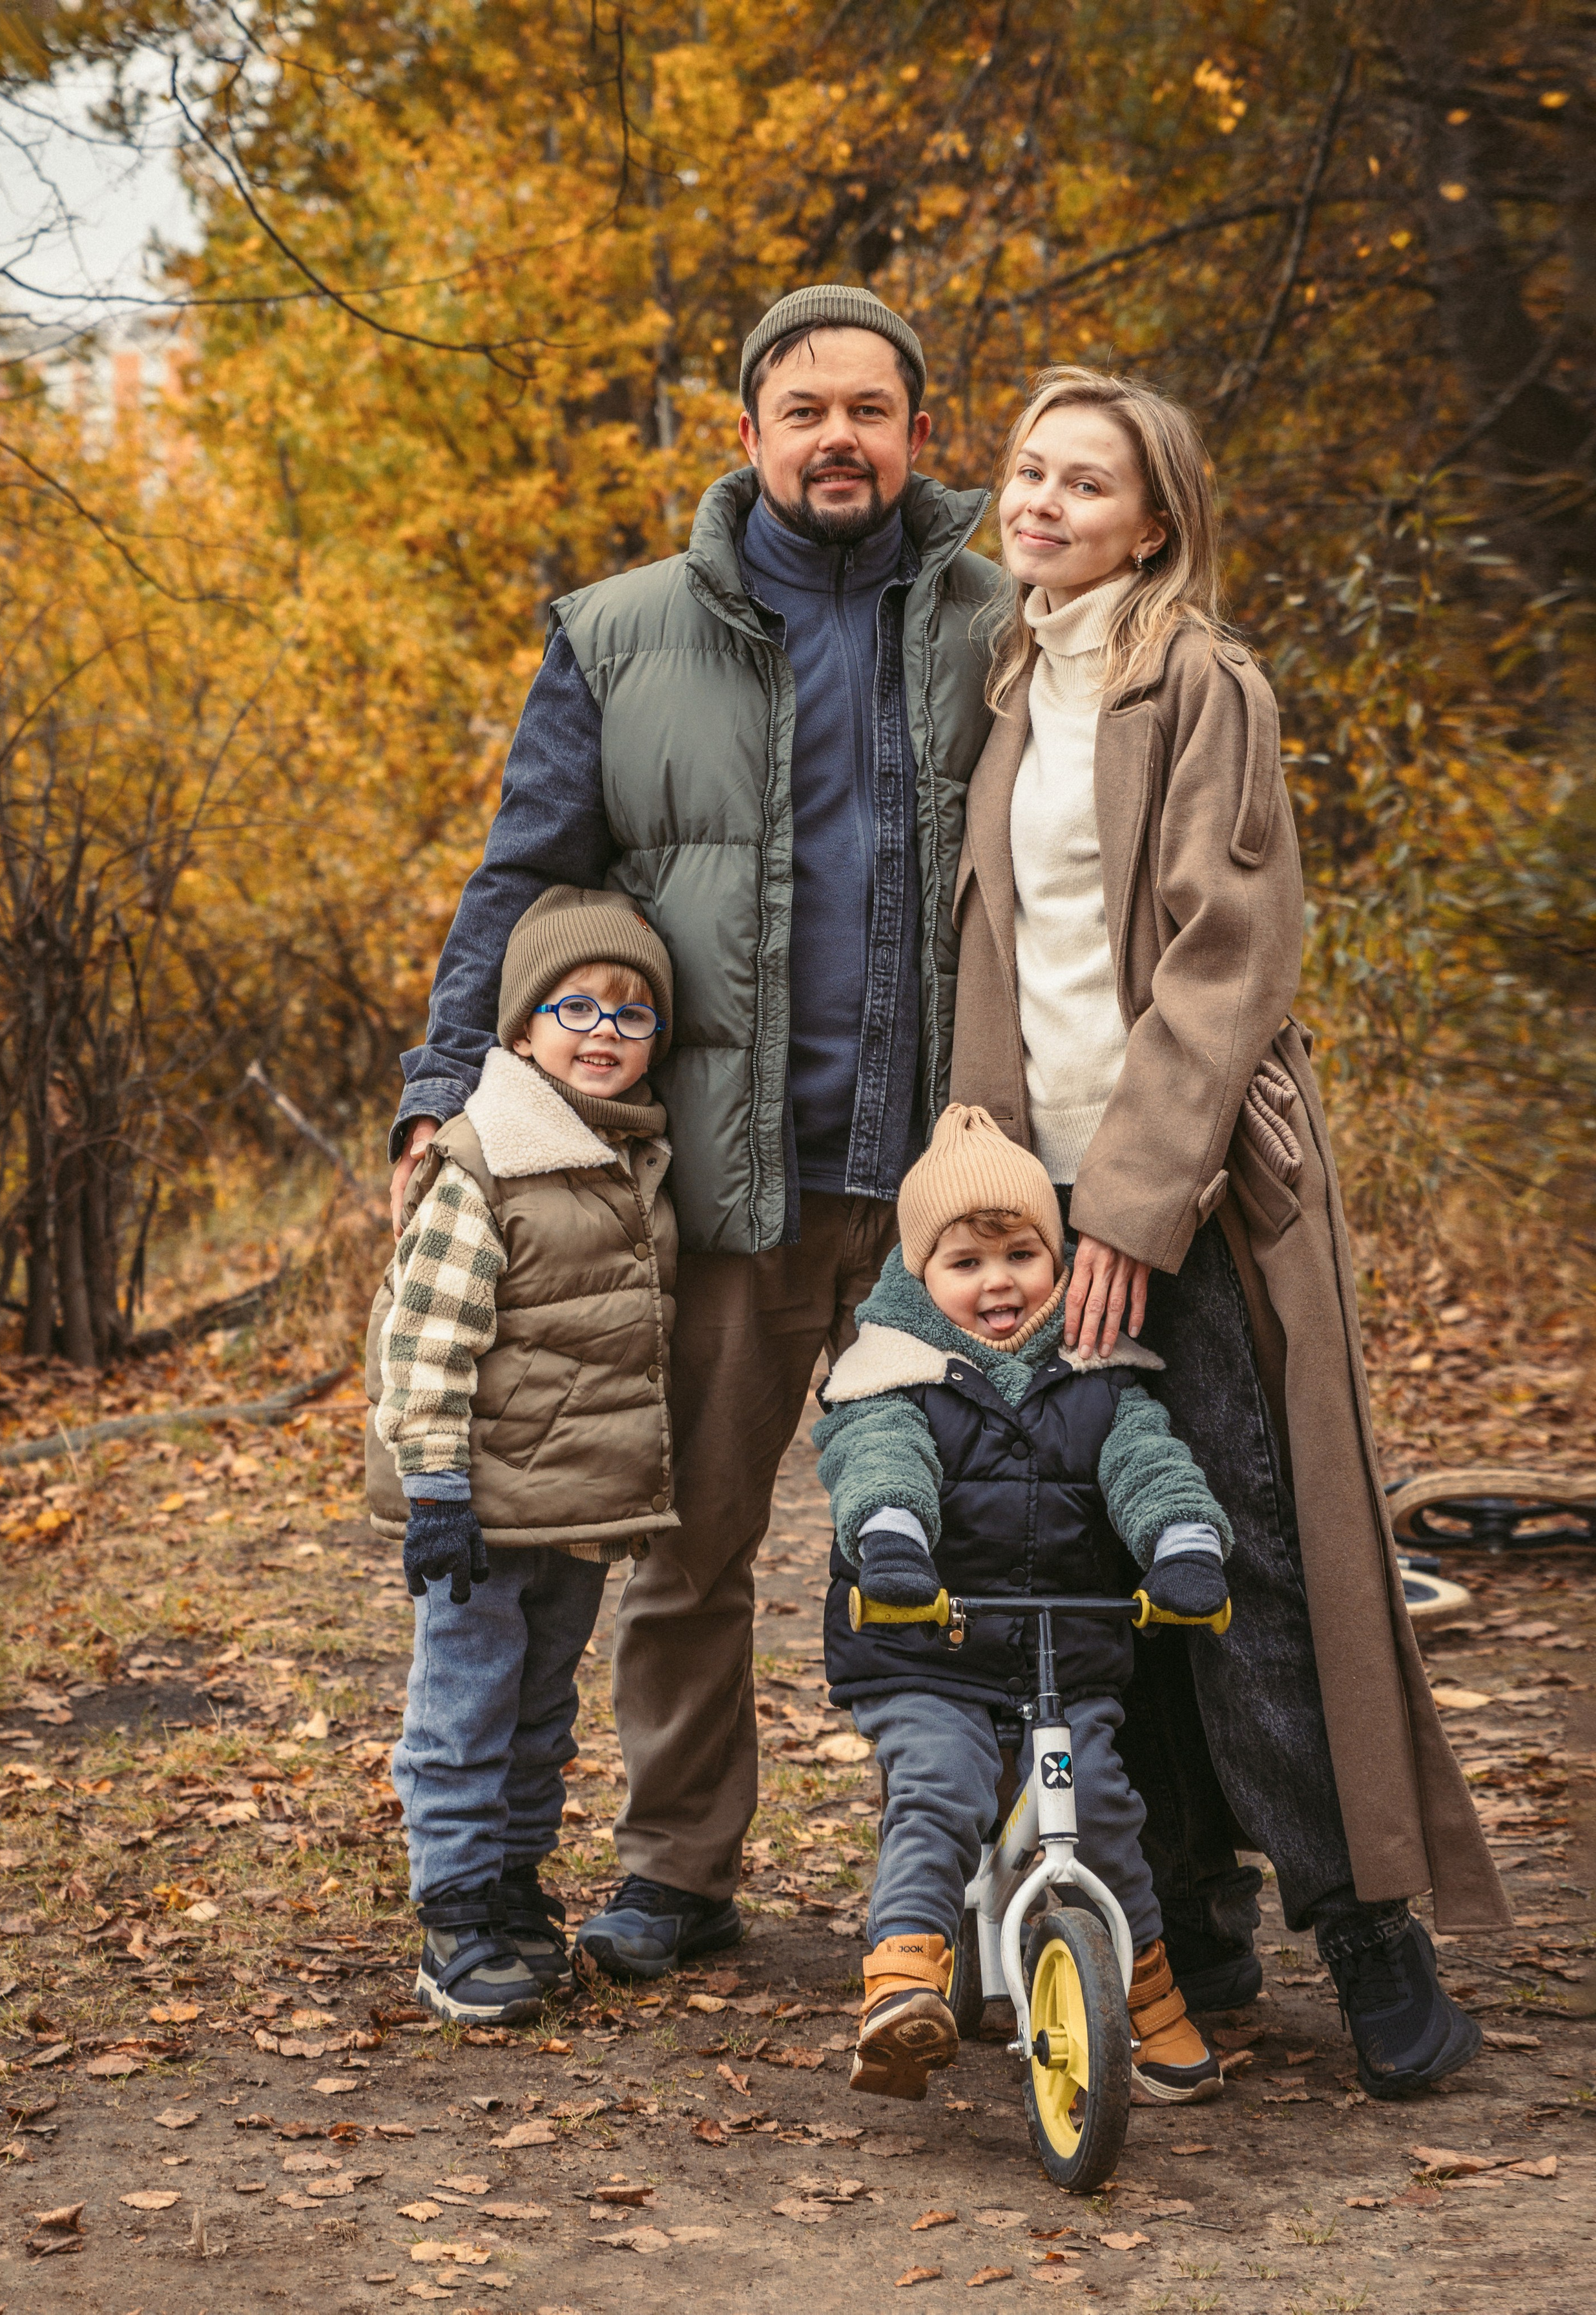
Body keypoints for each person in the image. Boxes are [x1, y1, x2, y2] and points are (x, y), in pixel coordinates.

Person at [385, 284, 1001, 1978]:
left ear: (920, 436)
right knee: (691, 1546)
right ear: (749, 436)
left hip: (955, 1192)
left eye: (871, 410)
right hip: (734, 1183)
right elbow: (525, 874)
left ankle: (972, 1888)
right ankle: (677, 1869)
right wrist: (447, 1084)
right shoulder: (622, 633)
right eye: (805, 410)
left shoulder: (1002, 621)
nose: (839, 438)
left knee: (969, 1548)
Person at [948, 364, 1508, 2098]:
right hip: (1030, 1204)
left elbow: (1224, 957)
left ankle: (1369, 1934)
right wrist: (999, 1203)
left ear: (1156, 521)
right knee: (1092, 1562)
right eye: (1029, 472)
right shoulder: (1007, 681)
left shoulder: (1199, 680)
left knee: (1248, 1554)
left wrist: (1131, 1203)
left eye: (1086, 485)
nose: (1042, 503)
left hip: (1185, 1190)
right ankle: (1189, 1916)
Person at [814, 1104, 1234, 2105]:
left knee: (1099, 1804)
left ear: (1061, 1261)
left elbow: (1152, 1469)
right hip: (929, 1651)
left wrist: (1182, 1549)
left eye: (1020, 1253)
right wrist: (891, 1541)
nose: (997, 1282)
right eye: (965, 1261)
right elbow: (878, 1460)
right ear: (921, 1279)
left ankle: (1144, 1996)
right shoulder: (893, 1380)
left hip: (1063, 1659)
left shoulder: (1101, 1379)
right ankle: (904, 1980)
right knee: (942, 1784)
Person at [366, 886, 681, 2023]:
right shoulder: (483, 1159)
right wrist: (437, 1486)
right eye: (576, 1006)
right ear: (518, 1031)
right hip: (480, 1509)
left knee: (542, 1713)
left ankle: (511, 1887)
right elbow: (429, 1342)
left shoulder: (629, 1156)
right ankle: (452, 1915)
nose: (604, 1031)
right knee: (465, 1708)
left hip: (573, 1508)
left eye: (633, 1014)